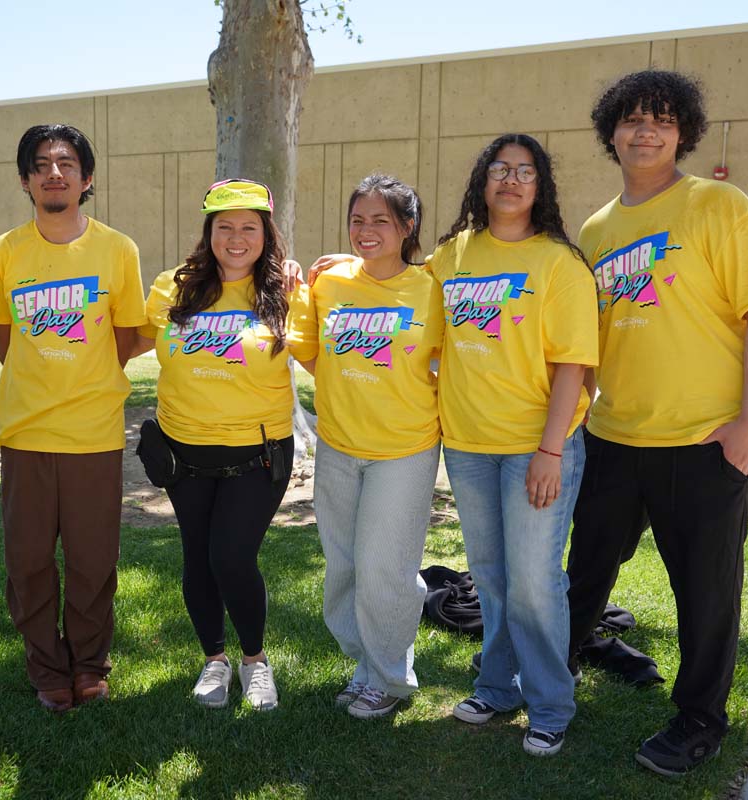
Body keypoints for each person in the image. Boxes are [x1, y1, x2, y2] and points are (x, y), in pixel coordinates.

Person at [565, 69, 748, 776]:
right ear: (611, 132)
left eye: (662, 120)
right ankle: (558, 668)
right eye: (632, 119)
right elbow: (589, 343)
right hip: (614, 438)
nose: (645, 130)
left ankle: (699, 718)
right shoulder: (598, 230)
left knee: (704, 588)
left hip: (706, 441)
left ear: (683, 132)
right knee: (587, 569)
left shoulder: (720, 206)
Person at [435, 135, 598, 757]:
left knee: (534, 580)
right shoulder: (452, 255)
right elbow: (403, 296)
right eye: (500, 169)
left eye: (525, 171)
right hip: (470, 445)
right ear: (483, 180)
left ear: (541, 186)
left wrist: (551, 451)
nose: (511, 180)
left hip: (537, 445)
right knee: (492, 576)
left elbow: (573, 366)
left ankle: (552, 704)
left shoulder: (559, 263)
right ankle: (497, 686)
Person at [0, 124, 146, 712]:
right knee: (27, 561)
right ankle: (46, 666)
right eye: (42, 163)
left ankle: (89, 663)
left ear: (87, 177)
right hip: (26, 432)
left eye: (67, 162)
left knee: (92, 560)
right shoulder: (3, 252)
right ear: (26, 179)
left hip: (94, 432)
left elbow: (128, 336)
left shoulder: (117, 249)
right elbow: (6, 342)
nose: (55, 171)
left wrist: (85, 380)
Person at [128, 179, 304, 710]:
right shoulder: (172, 288)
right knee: (197, 560)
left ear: (266, 235)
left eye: (249, 227)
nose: (235, 237)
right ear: (208, 233)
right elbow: (128, 340)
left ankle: (254, 662)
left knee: (231, 556)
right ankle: (214, 661)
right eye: (224, 226)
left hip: (259, 451)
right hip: (184, 453)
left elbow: (354, 290)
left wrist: (335, 260)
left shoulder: (289, 292)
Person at [286, 174, 443, 719]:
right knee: (345, 566)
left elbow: (452, 362)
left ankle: (390, 677)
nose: (366, 231)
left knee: (387, 569)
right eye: (357, 220)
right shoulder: (327, 284)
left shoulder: (433, 287)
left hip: (405, 448)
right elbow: (307, 351)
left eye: (381, 220)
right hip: (338, 445)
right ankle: (367, 662)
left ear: (408, 226)